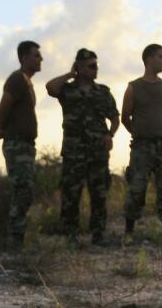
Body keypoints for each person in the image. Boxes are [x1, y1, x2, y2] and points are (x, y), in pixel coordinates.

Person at [45, 49, 120, 247]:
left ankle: (98, 235)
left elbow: (114, 118)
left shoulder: (103, 92)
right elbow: (50, 87)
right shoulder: (68, 90)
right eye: (91, 66)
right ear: (79, 67)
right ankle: (70, 236)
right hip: (74, 151)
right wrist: (70, 74)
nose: (96, 69)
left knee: (99, 194)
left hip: (97, 151)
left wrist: (110, 134)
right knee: (71, 194)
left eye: (96, 65)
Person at [121, 43, 162, 245]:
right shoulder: (134, 87)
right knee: (136, 188)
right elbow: (125, 117)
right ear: (149, 59)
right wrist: (139, 133)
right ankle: (129, 230)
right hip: (141, 147)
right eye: (161, 56)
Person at [0, 40, 42, 247]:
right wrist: (4, 128)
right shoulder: (16, 80)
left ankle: (17, 237)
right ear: (24, 58)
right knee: (23, 189)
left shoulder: (26, 81)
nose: (40, 59)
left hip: (25, 144)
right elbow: (3, 108)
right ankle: (15, 240)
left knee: (26, 189)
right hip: (17, 144)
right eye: (36, 55)